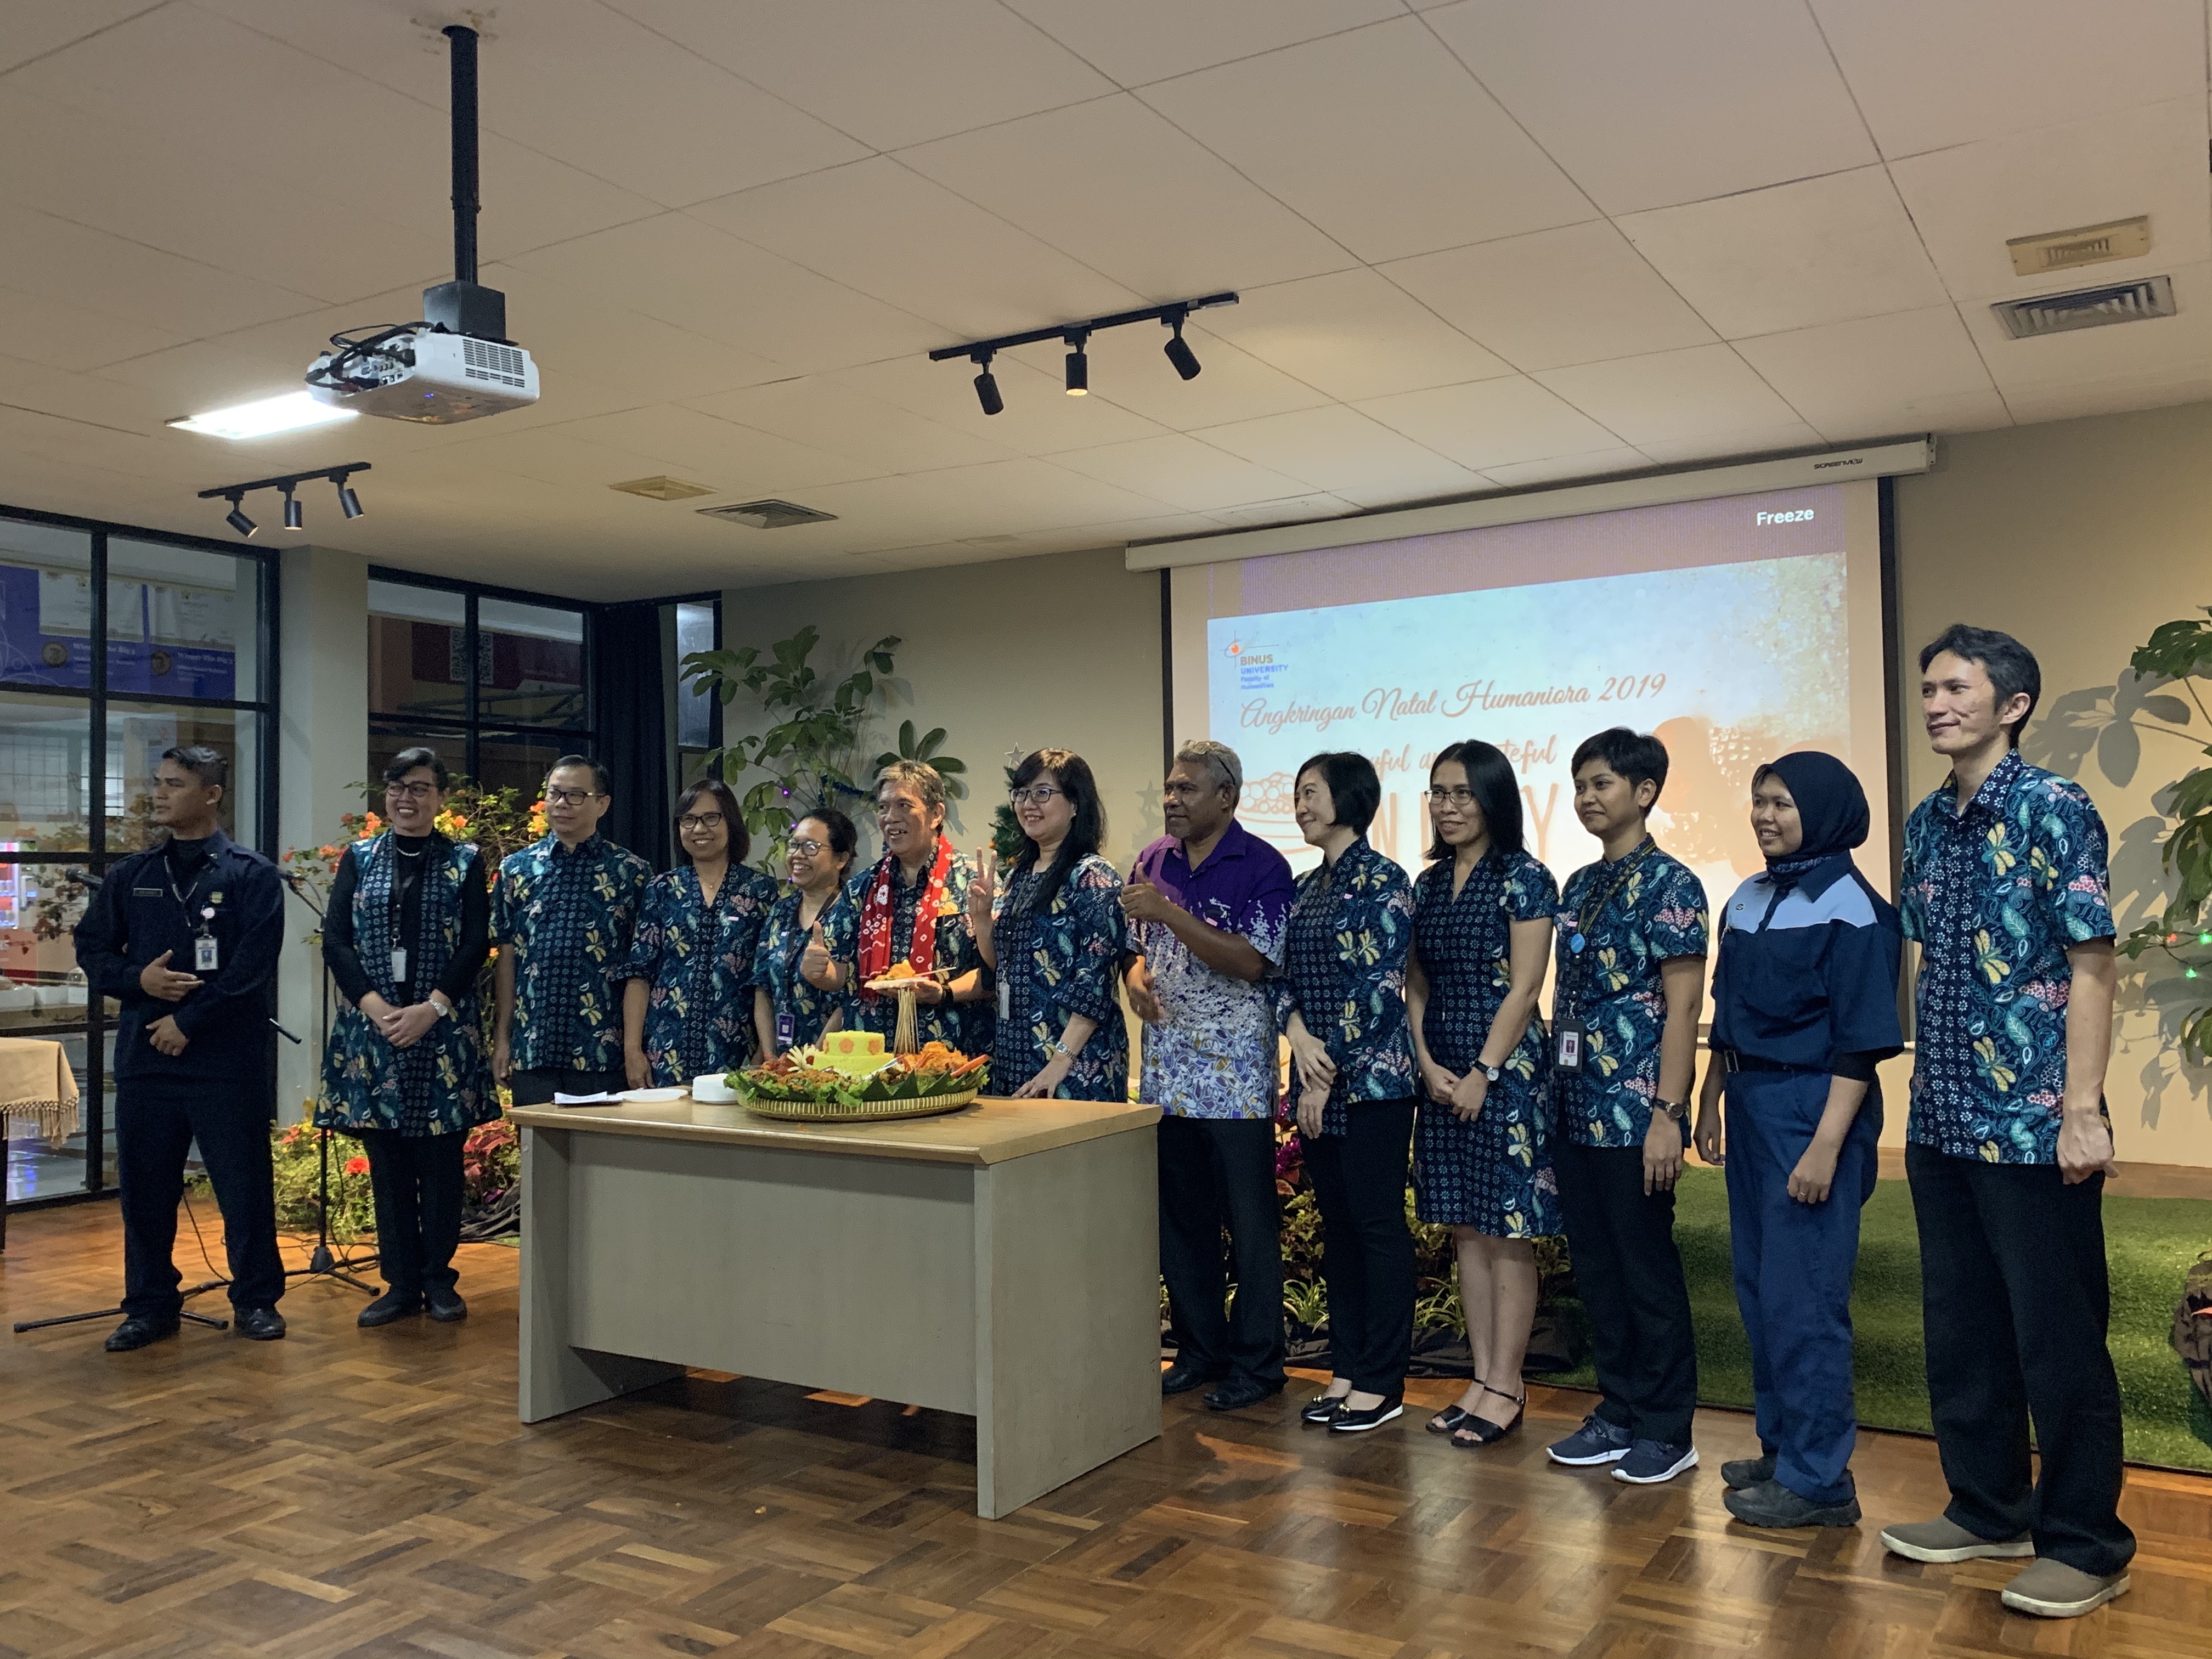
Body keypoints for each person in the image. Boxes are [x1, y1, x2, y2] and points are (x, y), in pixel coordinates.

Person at [1877, 624, 2134, 1620]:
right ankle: (1987, 1506)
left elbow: (2091, 963)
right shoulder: (1924, 822)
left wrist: (2082, 1110)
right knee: (1964, 1328)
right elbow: (1927, 957)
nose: (1936, 704)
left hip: (2032, 1122)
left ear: (2013, 704)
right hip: (1941, 1117)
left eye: (1956, 688)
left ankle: (2086, 1542)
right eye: (1928, 689)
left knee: (2058, 1339)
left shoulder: (2054, 807)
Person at [1694, 752, 1902, 1527]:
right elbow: (1728, 1013)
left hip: (1814, 1104)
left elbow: (1861, 1043)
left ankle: (1820, 1480)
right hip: (1749, 1099)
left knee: (1805, 1296)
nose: (1765, 816)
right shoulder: (1746, 898)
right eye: (1759, 801)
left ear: (1823, 810)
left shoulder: (1856, 907)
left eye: (1782, 803)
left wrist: (1825, 1145)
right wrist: (1710, 1099)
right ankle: (1781, 1449)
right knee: (1759, 1287)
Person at [72, 746, 289, 1349]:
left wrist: (188, 1022)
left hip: (225, 1061)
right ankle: (149, 1306)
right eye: (158, 783)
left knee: (243, 1187)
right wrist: (137, 981)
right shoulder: (133, 875)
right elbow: (93, 950)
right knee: (145, 1191)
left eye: (174, 784)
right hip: (147, 1061)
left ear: (212, 794)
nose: (159, 794)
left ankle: (256, 1300)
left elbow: (250, 969)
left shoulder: (251, 874)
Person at [1544, 727, 1709, 1485]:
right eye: (1580, 784)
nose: (1586, 797)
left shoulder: (1673, 885)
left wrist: (1668, 1115)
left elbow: (1684, 1009)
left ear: (1644, 793)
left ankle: (1668, 1428)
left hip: (1637, 1110)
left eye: (1601, 784)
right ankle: (1618, 1411)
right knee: (1597, 1268)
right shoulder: (1579, 884)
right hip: (1576, 1106)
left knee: (1645, 1269)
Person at [1125, 740, 1296, 1414]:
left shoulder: (1263, 866)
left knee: (1249, 1228)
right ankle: (1200, 1351)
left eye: (1186, 789)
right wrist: (1135, 979)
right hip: (1167, 1072)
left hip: (1234, 1078)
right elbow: (1136, 949)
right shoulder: (1152, 860)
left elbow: (1253, 962)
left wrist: (1170, 913)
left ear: (1226, 797)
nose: (1172, 799)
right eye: (1169, 787)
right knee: (1182, 1221)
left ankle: (1259, 1364)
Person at [1406, 740, 1559, 1450]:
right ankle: (1481, 1378)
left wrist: (1483, 1071)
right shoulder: (1429, 883)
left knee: (1505, 1231)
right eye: (1439, 792)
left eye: (1462, 792)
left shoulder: (1525, 877)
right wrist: (1427, 1061)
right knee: (1465, 1230)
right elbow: (1416, 982)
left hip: (1506, 1073)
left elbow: (1525, 989)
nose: (1448, 805)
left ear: (1493, 798)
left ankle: (1508, 1384)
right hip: (1441, 1073)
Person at [319, 747, 497, 1327]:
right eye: (397, 787)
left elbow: (476, 942)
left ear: (440, 798)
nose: (405, 798)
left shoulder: (464, 861)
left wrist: (432, 1008)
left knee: (441, 1165)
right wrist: (376, 1008)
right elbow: (336, 940)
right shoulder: (360, 857)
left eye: (419, 788)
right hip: (375, 1035)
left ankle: (439, 1281)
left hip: (441, 1033)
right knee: (389, 1166)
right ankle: (398, 1284)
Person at [1278, 751, 1419, 1435]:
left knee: (1376, 1227)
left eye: (1312, 793)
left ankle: (1383, 1382)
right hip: (1316, 1076)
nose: (1300, 806)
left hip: (1374, 1086)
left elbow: (1378, 991)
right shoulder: (1304, 887)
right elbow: (1278, 979)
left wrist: (1321, 1073)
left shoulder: (1386, 881)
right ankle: (1348, 1367)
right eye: (1297, 794)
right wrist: (1298, 1038)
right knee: (1337, 1229)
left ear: (1350, 799)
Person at [492, 757, 652, 1106]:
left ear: (603, 804)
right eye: (555, 794)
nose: (562, 804)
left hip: (603, 1050)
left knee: (601, 1144)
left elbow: (640, 967)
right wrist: (502, 1038)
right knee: (537, 1143)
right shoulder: (516, 869)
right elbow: (507, 959)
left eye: (576, 795)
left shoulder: (632, 872)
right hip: (534, 1047)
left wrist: (634, 1047)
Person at [969, 749, 1128, 1100]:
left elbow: (1095, 982)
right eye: (1021, 793)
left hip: (1075, 1070)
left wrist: (1060, 1062)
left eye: (1042, 793)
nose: (1028, 804)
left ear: (1075, 804)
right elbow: (1002, 965)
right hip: (1015, 1060)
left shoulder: (1093, 876)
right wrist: (982, 920)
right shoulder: (1019, 877)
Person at [618, 780, 778, 1088]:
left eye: (710, 818)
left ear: (731, 823)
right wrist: (632, 1050)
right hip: (665, 1050)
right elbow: (640, 973)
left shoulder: (760, 890)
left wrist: (765, 1050)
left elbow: (765, 980)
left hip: (737, 1048)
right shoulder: (662, 889)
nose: (699, 828)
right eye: (688, 820)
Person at [840, 760, 992, 1053]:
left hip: (951, 1055)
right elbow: (839, 973)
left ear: (936, 814)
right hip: (874, 1057)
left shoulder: (974, 882)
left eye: (904, 806)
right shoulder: (861, 887)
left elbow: (999, 972)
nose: (890, 818)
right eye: (883, 807)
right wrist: (819, 969)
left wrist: (944, 993)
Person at [752, 809, 858, 1058]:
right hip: (779, 1061)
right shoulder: (781, 910)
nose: (798, 855)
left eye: (811, 847)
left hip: (833, 1061)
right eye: (794, 845)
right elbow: (763, 988)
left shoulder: (854, 913)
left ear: (841, 859)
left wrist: (812, 1060)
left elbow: (853, 995)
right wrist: (770, 1056)